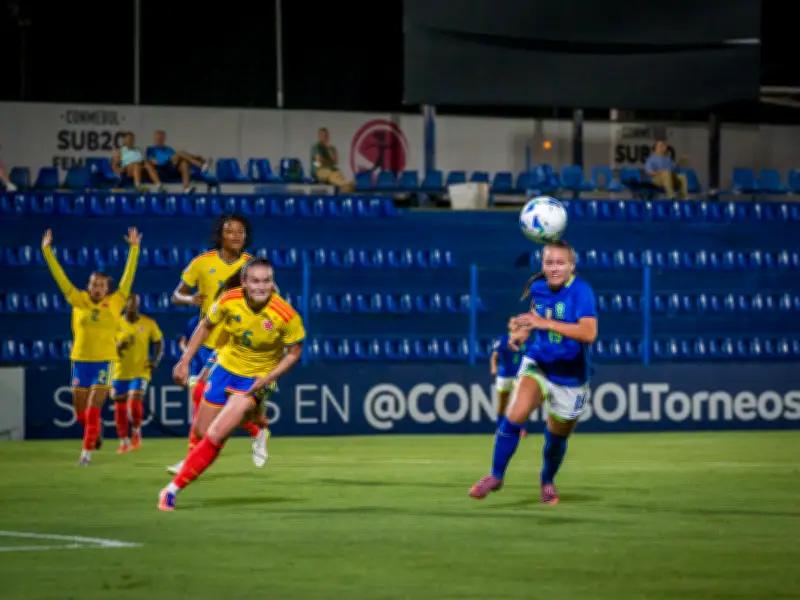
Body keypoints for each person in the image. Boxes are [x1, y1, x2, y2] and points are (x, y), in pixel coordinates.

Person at [159, 258, 305, 511]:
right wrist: (184, 361)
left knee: (217, 433)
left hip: (256, 378)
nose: (262, 286)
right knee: (203, 432)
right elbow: (206, 326)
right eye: (256, 281)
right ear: (245, 283)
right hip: (226, 368)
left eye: (267, 281)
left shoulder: (286, 315)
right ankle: (257, 425)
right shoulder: (228, 300)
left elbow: (294, 352)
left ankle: (171, 490)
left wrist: (269, 379)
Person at [470, 240, 597, 504]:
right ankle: (495, 475)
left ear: (572, 266)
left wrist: (545, 323)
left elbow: (589, 333)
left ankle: (547, 480)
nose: (554, 268)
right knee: (515, 414)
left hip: (571, 376)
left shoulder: (582, 292)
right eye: (549, 262)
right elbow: (536, 314)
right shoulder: (538, 287)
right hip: (539, 362)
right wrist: (523, 331)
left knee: (556, 437)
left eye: (560, 263)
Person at [166, 214, 266, 472]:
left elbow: (269, 298)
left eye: (241, 232)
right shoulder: (202, 263)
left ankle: (192, 459)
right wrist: (190, 300)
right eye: (230, 231)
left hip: (235, 345)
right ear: (221, 235)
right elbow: (176, 294)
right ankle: (256, 430)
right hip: (207, 342)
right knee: (211, 401)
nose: (236, 236)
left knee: (205, 396)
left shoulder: (251, 266)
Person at [41, 227, 142, 465]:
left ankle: (85, 455)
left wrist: (134, 249)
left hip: (104, 362)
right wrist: (47, 252)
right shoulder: (78, 300)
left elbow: (129, 275)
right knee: (80, 413)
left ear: (107, 289)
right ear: (88, 286)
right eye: (94, 284)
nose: (97, 288)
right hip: (80, 361)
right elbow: (60, 277)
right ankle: (94, 432)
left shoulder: (116, 302)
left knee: (94, 407)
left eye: (101, 285)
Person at [112, 294, 164, 453]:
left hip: (141, 371)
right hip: (119, 372)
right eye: (131, 304)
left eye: (136, 304)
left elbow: (159, 342)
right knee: (120, 407)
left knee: (134, 402)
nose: (133, 307)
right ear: (125, 305)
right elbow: (106, 347)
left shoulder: (148, 323)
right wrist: (118, 347)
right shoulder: (115, 323)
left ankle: (136, 431)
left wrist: (155, 360)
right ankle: (123, 441)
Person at [490, 317, 527, 436]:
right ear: (509, 326)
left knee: (520, 402)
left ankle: (520, 428)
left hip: (519, 374)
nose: (516, 324)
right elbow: (494, 356)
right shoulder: (503, 339)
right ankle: (500, 427)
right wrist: (494, 367)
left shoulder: (525, 339)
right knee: (502, 402)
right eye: (513, 322)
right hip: (504, 374)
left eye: (517, 322)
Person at [145, 129, 212, 194]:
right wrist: (169, 159)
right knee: (180, 152)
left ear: (164, 139)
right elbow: (152, 161)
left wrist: (194, 156)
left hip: (172, 168)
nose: (159, 140)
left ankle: (186, 188)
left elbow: (177, 157)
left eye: (161, 138)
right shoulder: (151, 149)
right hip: (162, 169)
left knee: (184, 163)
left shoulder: (168, 149)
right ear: (155, 139)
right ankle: (201, 165)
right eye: (158, 138)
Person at [311, 127, 354, 192]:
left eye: (326, 135)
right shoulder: (316, 147)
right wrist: (330, 161)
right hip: (319, 170)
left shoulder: (331, 148)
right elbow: (319, 160)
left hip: (332, 170)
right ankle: (345, 185)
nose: (324, 137)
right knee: (330, 174)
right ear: (319, 136)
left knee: (339, 174)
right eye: (322, 135)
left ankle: (345, 187)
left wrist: (328, 148)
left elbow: (335, 160)